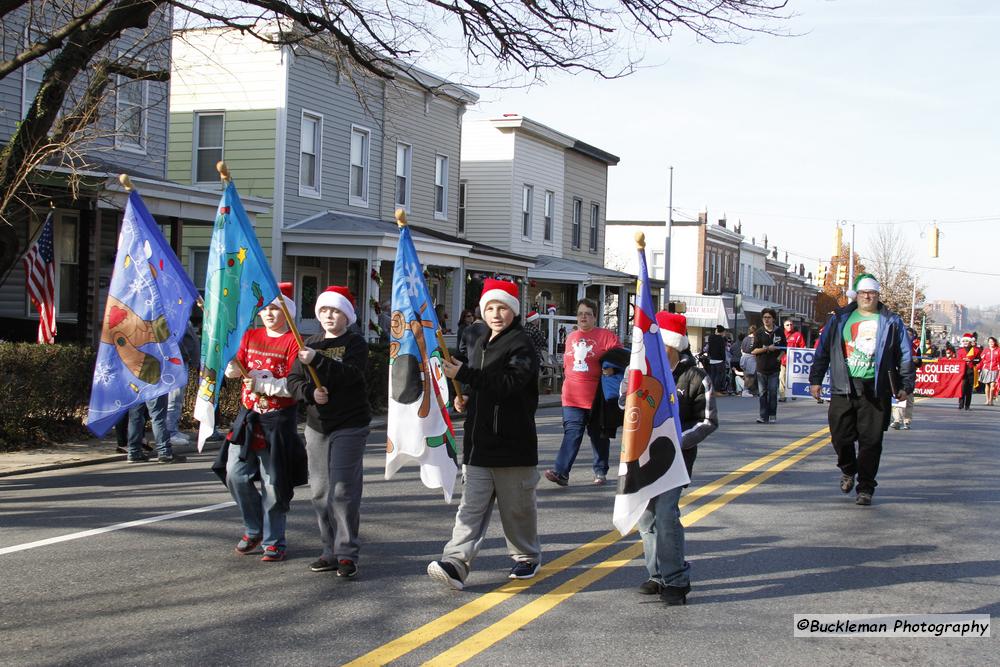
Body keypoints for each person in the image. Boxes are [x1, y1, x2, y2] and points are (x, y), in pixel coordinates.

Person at [428, 278, 541, 590]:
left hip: (513, 445)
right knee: (470, 510)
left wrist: (465, 375)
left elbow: (508, 385)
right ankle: (455, 562)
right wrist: (463, 396)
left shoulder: (521, 345)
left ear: (513, 311)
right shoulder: (478, 341)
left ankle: (526, 556)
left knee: (517, 510)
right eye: (490, 307)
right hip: (478, 446)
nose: (495, 313)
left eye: (502, 307)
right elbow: (481, 385)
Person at [212, 283, 308, 561]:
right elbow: (234, 369)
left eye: (275, 309)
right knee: (235, 474)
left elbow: (294, 385)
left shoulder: (294, 342)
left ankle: (274, 539)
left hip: (277, 422)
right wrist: (230, 366)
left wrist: (264, 385)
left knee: (274, 485)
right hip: (247, 419)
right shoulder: (250, 335)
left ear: (286, 313)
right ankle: (253, 527)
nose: (268, 313)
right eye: (264, 308)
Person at [634, 312, 717, 605]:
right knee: (646, 516)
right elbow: (624, 400)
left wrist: (677, 440)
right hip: (642, 456)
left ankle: (676, 579)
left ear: (671, 344)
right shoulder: (641, 369)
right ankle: (656, 574)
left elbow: (707, 420)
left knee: (666, 514)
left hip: (675, 459)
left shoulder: (696, 377)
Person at [809, 274, 914, 506]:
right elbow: (823, 350)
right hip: (843, 386)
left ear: (878, 295)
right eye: (864, 292)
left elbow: (905, 354)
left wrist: (906, 384)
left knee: (871, 441)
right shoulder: (839, 318)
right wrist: (815, 379)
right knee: (839, 436)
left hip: (876, 389)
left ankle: (865, 487)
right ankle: (848, 469)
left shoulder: (891, 321)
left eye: (873, 293)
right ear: (856, 295)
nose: (868, 296)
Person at [288, 286, 371, 577]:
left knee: (342, 490)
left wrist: (318, 361)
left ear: (346, 315)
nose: (329, 316)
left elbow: (352, 375)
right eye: (324, 310)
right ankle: (329, 550)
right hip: (317, 425)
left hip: (350, 424)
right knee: (321, 491)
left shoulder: (356, 343)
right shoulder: (308, 343)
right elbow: (293, 381)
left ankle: (347, 552)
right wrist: (310, 393)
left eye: (335, 311)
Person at [544, 298, 621, 486]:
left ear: (595, 317)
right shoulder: (571, 337)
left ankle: (600, 471)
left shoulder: (606, 336)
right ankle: (561, 472)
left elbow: (621, 358)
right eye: (580, 314)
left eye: (588, 313)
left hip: (597, 397)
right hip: (571, 397)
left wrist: (611, 368)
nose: (583, 317)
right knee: (572, 433)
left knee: (598, 435)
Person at [166, 319, 201, 447]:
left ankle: (173, 429)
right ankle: (170, 433)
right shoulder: (172, 317)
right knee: (173, 400)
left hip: (182, 361)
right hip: (174, 363)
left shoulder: (183, 316)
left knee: (177, 399)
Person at [751, 308, 785, 424]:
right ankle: (762, 416)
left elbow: (784, 348)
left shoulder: (779, 331)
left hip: (774, 368)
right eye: (764, 317)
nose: (766, 320)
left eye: (769, 317)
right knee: (762, 393)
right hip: (761, 368)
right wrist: (766, 348)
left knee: (773, 392)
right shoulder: (759, 333)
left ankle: (772, 415)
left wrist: (778, 358)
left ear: (773, 319)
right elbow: (753, 350)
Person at [891, 327, 922, 430]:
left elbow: (919, 363)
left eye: (909, 335)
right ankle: (896, 420)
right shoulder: (896, 345)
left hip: (909, 376)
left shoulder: (916, 348)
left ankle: (907, 421)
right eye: (905, 334)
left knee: (908, 400)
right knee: (896, 399)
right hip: (897, 374)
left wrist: (916, 360)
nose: (907, 336)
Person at [778, 319, 805, 402]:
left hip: (794, 361)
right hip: (783, 361)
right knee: (782, 377)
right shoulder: (780, 335)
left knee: (793, 378)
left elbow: (803, 347)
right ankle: (783, 396)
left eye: (791, 324)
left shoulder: (798, 335)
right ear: (784, 326)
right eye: (787, 325)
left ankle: (793, 393)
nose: (789, 326)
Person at [957, 333, 981, 410]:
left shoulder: (976, 350)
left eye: (967, 341)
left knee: (969, 390)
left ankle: (967, 405)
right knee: (962, 388)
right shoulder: (959, 350)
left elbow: (979, 360)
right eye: (964, 341)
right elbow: (957, 360)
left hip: (971, 371)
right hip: (962, 372)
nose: (965, 343)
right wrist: (962, 360)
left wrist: (971, 360)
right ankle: (961, 404)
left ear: (970, 342)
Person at [704, 324, 728, 395]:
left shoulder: (711, 337)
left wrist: (709, 356)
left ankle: (711, 389)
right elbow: (722, 350)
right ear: (722, 332)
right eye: (724, 332)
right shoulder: (721, 339)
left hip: (712, 359)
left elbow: (709, 348)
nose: (724, 334)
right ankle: (717, 390)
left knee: (712, 375)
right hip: (719, 360)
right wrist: (724, 359)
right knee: (718, 376)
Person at [978, 337, 1000, 406]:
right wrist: (982, 363)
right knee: (987, 385)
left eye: (992, 342)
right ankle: (987, 400)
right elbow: (981, 358)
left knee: (992, 385)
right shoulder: (986, 350)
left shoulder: (998, 350)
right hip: (986, 369)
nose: (991, 343)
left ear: (995, 342)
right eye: (990, 342)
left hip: (995, 369)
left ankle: (991, 400)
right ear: (988, 343)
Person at [739, 325, 757, 397]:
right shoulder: (755, 339)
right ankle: (746, 390)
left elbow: (742, 349)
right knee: (751, 376)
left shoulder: (745, 338)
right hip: (751, 358)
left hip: (743, 357)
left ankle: (746, 390)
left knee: (746, 375)